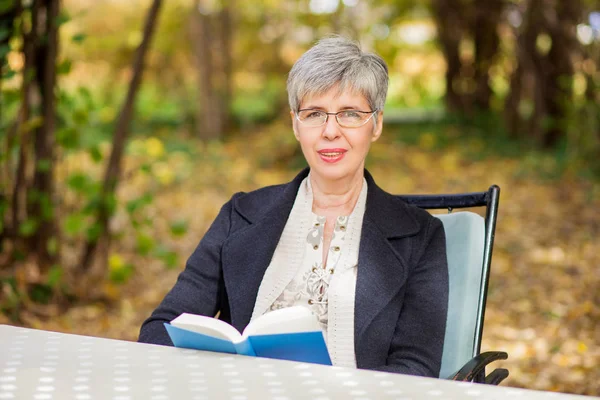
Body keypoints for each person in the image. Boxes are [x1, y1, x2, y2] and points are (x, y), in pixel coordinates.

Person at [138, 36, 448, 378]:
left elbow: (416, 368)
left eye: (350, 113)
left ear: (376, 124)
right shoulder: (241, 215)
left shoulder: (420, 236)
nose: (330, 131)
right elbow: (160, 328)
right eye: (314, 113)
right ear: (295, 124)